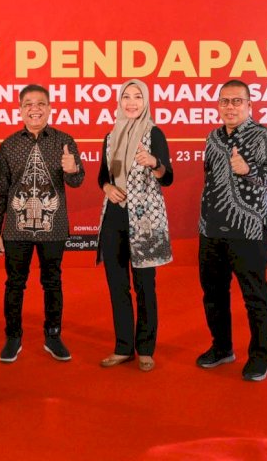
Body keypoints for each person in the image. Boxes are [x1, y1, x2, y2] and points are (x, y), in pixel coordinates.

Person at [0, 84, 85, 363]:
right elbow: (0, 191)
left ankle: (53, 335)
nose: (35, 109)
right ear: (20, 109)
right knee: (15, 283)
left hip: (53, 227)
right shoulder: (9, 145)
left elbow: (77, 182)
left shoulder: (64, 141)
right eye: (28, 104)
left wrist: (73, 170)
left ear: (50, 108)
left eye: (41, 103)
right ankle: (13, 336)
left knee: (52, 282)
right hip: (15, 230)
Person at [196, 79, 267, 382]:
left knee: (254, 295)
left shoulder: (264, 136)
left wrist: (248, 170)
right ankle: (222, 348)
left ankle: (259, 358)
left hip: (249, 229)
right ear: (218, 105)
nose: (230, 107)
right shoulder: (213, 137)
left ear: (249, 105)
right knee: (213, 294)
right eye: (225, 101)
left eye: (236, 101)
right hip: (211, 228)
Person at [97, 79, 174, 372]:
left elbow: (167, 177)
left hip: (144, 221)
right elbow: (102, 175)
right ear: (119, 101)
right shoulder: (110, 135)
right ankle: (122, 347)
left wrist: (153, 162)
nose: (131, 102)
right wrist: (106, 187)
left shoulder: (154, 133)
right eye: (126, 97)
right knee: (118, 287)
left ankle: (145, 349)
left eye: (137, 97)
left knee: (144, 286)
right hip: (114, 218)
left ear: (146, 102)